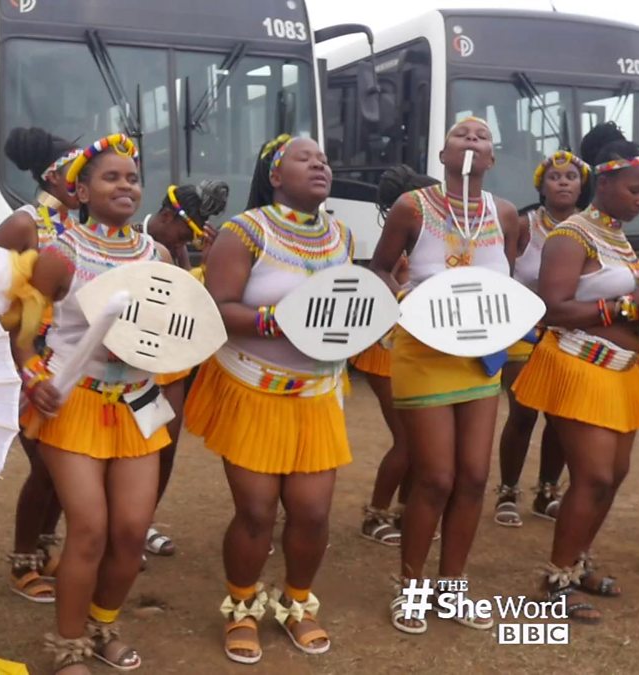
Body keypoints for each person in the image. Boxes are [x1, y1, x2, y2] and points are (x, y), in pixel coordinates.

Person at [185, 135, 353, 663]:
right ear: (275, 175)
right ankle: (241, 607)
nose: (320, 164)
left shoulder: (342, 235)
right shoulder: (244, 231)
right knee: (256, 512)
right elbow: (217, 307)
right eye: (305, 158)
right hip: (252, 386)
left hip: (317, 394)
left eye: (324, 158)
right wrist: (281, 322)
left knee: (312, 514)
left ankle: (298, 603)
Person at [17, 134, 170, 674]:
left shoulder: (159, 255)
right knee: (90, 528)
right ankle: (69, 645)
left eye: (132, 177)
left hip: (138, 402)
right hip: (74, 401)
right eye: (111, 177)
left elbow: (171, 331)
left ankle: (104, 624)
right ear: (80, 190)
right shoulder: (60, 255)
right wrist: (35, 377)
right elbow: (25, 334)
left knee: (132, 530)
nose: (125, 185)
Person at [369, 117, 521, 634]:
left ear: (492, 159)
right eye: (462, 134)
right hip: (426, 349)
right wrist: (407, 303)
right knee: (435, 477)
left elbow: (508, 277)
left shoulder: (503, 213)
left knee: (475, 477)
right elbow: (379, 267)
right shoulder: (413, 208)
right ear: (442, 154)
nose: (473, 139)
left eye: (482, 136)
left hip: (480, 354)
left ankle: (452, 588)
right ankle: (410, 588)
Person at [512, 122, 639, 623]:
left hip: (619, 373)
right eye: (635, 190)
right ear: (607, 184)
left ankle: (577, 563)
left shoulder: (618, 238)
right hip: (576, 365)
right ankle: (555, 580)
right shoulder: (571, 235)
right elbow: (551, 308)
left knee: (613, 476)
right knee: (593, 475)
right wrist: (622, 308)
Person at [0, 127, 81, 603]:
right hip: (26, 362)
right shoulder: (23, 225)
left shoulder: (83, 227)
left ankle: (46, 546)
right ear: (51, 174)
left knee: (62, 465)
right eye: (74, 171)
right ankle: (23, 558)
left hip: (70, 363)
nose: (80, 180)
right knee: (44, 466)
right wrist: (24, 367)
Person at [493, 151, 590, 528]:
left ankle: (547, 491)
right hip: (523, 331)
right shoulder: (523, 225)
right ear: (541, 185)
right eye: (555, 177)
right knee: (522, 413)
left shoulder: (592, 229)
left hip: (569, 333)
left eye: (571, 177)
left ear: (582, 186)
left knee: (561, 417)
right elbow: (503, 273)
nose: (563, 182)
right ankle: (507, 491)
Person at [142, 179, 228, 560]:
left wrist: (207, 265)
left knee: (167, 450)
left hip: (172, 365)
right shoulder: (133, 240)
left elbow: (191, 303)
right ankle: (122, 527)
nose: (185, 240)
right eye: (184, 231)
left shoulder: (177, 248)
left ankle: (143, 522)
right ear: (165, 216)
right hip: (137, 364)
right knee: (136, 449)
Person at [356, 165, 433, 547]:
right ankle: (377, 513)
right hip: (385, 349)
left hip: (416, 348)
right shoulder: (397, 245)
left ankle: (407, 509)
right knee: (406, 439)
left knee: (422, 442)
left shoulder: (432, 243)